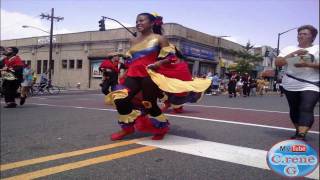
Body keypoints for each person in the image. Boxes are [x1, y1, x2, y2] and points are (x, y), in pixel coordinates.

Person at [105, 12, 210, 141]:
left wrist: (158, 63)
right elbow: (132, 58)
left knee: (149, 104)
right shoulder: (132, 40)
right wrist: (125, 62)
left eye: (142, 20)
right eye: (137, 21)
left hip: (149, 75)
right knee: (120, 98)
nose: (138, 23)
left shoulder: (159, 39)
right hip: (133, 74)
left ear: (152, 23)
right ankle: (127, 128)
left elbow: (170, 57)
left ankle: (161, 128)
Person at [275, 25, 319, 140]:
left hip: (311, 83)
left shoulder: (317, 49)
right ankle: (298, 131)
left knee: (307, 107)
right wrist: (294, 54)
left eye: (305, 34)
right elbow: (278, 62)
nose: (301, 36)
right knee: (294, 109)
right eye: (300, 34)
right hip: (290, 83)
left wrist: (307, 64)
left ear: (312, 37)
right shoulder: (289, 48)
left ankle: (301, 135)